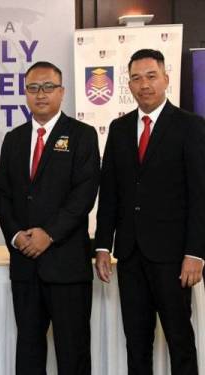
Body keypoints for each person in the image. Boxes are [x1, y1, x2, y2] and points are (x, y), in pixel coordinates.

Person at [95, 49, 205, 375]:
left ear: (166, 79)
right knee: (136, 343)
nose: (144, 84)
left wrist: (196, 252)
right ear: (128, 84)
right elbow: (110, 192)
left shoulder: (191, 127)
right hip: (129, 256)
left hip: (173, 257)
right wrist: (103, 245)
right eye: (136, 78)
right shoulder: (118, 129)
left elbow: (200, 195)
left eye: (151, 76)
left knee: (179, 340)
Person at [0, 61, 100, 375]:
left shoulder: (82, 135)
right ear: (25, 93)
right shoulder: (14, 139)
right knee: (28, 351)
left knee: (73, 352)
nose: (40, 95)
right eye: (33, 88)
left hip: (66, 263)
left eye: (48, 87)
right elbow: (1, 194)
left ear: (62, 92)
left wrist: (49, 234)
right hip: (25, 265)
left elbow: (84, 194)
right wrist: (16, 235)